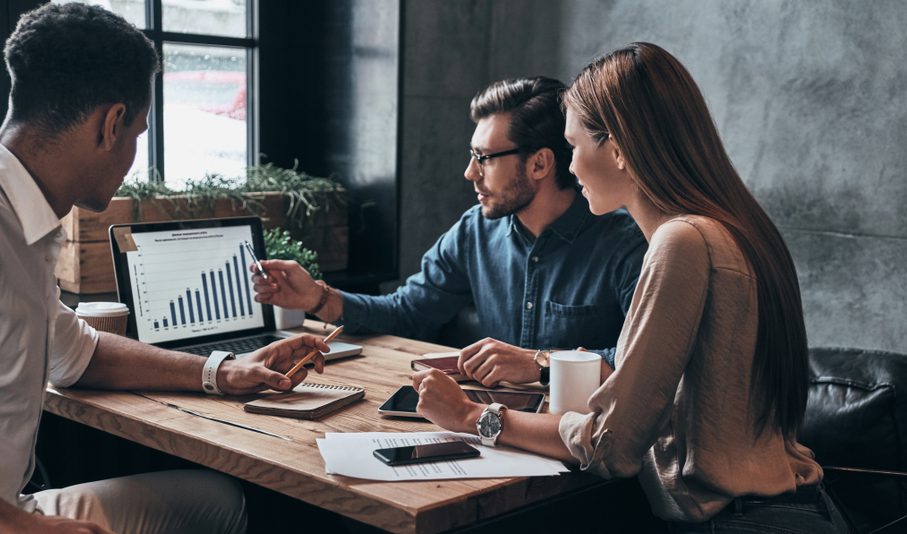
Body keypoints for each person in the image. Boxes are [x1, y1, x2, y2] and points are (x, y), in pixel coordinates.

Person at [413, 43, 849, 532]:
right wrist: (543, 366)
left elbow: (611, 446)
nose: (570, 167)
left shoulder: (681, 242)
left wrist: (473, 416)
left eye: (574, 146)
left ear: (618, 148)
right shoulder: (734, 228)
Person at [0, 4, 329, 533]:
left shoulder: (27, 222)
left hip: (17, 508)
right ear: (110, 124)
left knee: (220, 501)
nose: (134, 153)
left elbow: (76, 354)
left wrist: (222, 371)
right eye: (137, 133)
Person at [253, 77, 646, 387]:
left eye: (484, 159)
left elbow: (640, 365)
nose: (470, 172)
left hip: (582, 446)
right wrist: (317, 297)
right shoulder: (474, 231)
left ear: (540, 164)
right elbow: (408, 313)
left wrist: (540, 362)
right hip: (493, 429)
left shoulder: (625, 245)